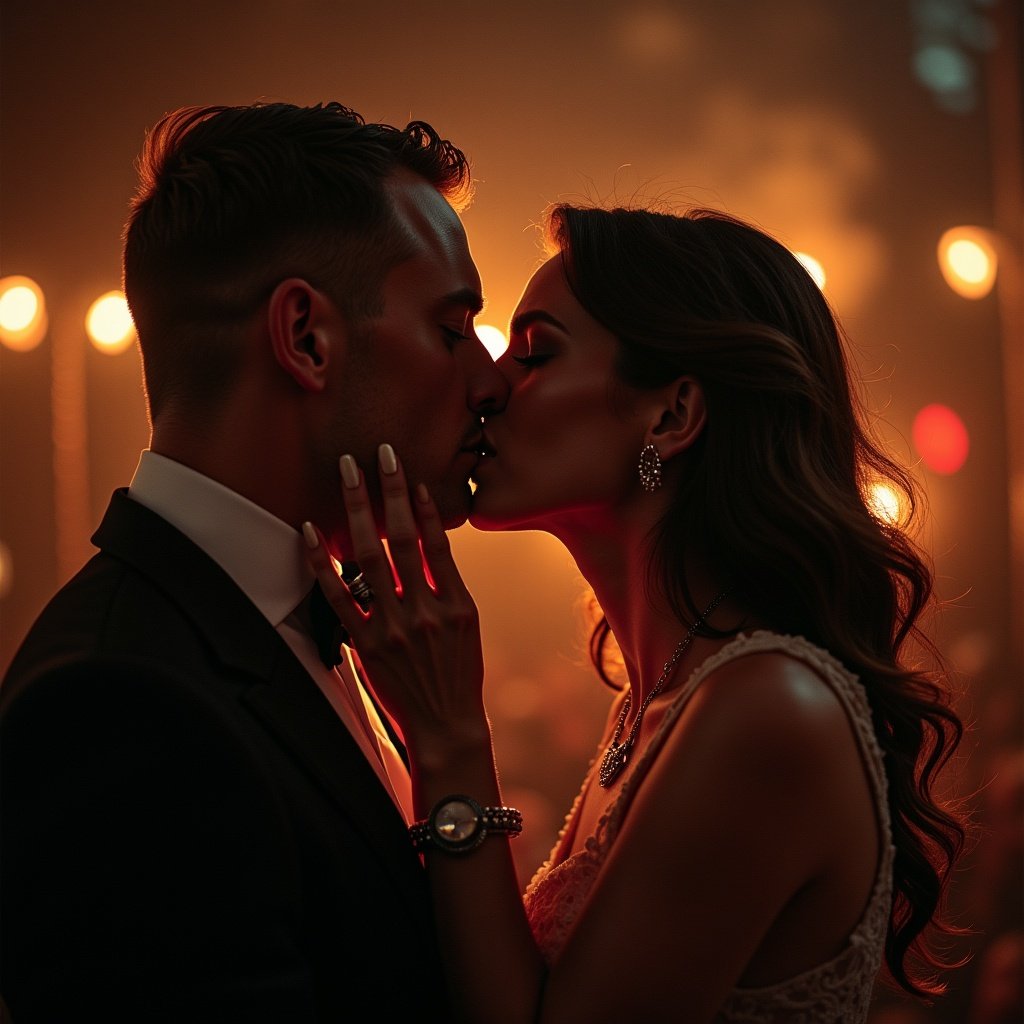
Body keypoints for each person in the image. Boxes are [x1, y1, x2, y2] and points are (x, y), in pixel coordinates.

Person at [305, 204, 969, 1022]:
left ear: (670, 416)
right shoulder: (656, 704)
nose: (489, 385)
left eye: (536, 351)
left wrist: (451, 738)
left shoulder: (768, 709)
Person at [0, 100, 508, 1020]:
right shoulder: (117, 706)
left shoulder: (303, 624)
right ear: (306, 337)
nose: (490, 379)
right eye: (451, 325)